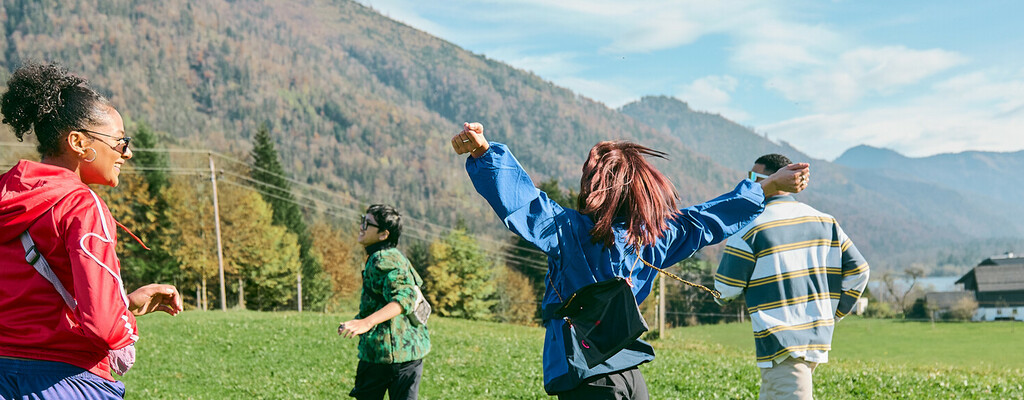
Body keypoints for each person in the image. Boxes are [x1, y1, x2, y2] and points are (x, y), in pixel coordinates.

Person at [451, 122, 810, 399]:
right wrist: (766, 187)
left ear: (593, 185)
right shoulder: (656, 236)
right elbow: (707, 219)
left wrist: (486, 154)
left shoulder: (568, 231)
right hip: (630, 374)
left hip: (585, 372)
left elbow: (524, 204)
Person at [0, 62, 183, 399]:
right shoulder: (83, 207)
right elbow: (103, 325)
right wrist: (124, 316)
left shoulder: (5, 194)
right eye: (120, 141)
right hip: (65, 381)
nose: (127, 153)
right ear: (79, 143)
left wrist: (124, 302)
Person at [714, 154, 870, 400]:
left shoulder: (750, 228)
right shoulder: (826, 222)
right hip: (816, 339)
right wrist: (832, 314)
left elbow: (725, 290)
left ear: (775, 180)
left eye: (754, 178)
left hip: (780, 344)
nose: (750, 184)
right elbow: (860, 271)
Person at [339, 204, 430, 400]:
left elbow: (404, 297)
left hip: (382, 356)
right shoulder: (396, 256)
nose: (361, 226)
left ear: (383, 234)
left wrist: (366, 323)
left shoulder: (381, 259)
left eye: (367, 223)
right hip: (411, 353)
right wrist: (359, 319)